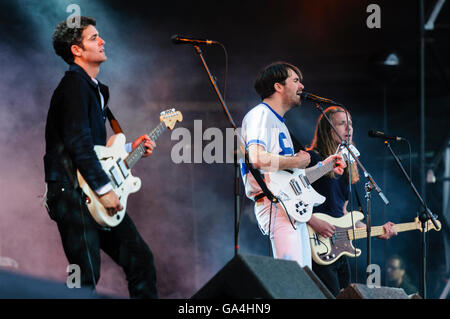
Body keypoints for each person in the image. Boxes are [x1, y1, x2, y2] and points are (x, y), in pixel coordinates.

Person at [44, 17, 158, 298]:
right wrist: (105, 190)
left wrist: (130, 146)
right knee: (85, 275)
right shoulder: (73, 85)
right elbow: (77, 142)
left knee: (141, 261)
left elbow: (97, 149)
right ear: (77, 50)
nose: (102, 41)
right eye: (94, 38)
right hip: (73, 192)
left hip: (91, 187)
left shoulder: (95, 90)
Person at [240, 62, 346, 269]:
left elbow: (290, 180)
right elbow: (256, 157)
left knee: (302, 277)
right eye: (296, 80)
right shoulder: (260, 115)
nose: (302, 87)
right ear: (278, 86)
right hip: (275, 206)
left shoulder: (279, 123)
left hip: (290, 206)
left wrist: (324, 168)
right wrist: (296, 160)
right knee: (292, 280)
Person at [305, 105, 397, 296]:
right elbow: (292, 199)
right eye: (342, 124)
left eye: (350, 124)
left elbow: (344, 213)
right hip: (317, 241)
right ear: (328, 129)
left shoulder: (346, 164)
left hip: (339, 247)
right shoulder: (314, 159)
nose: (349, 129)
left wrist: (375, 231)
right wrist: (314, 221)